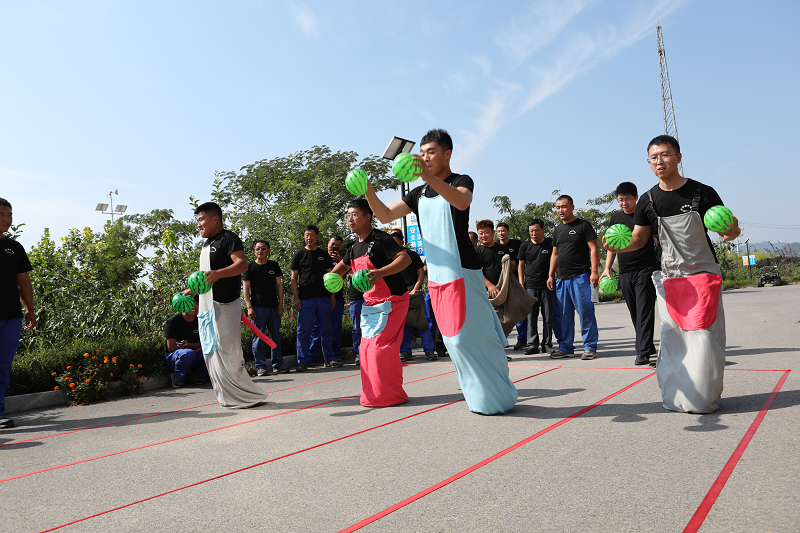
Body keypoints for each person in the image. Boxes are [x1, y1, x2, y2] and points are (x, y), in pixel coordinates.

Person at [364, 129, 517, 415]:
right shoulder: (418, 193)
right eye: (421, 153)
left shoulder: (461, 181)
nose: (424, 158)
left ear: (447, 154)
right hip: (437, 276)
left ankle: (501, 394)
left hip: (463, 272)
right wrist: (368, 191)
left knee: (470, 337)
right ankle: (481, 399)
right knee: (452, 341)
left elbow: (461, 201)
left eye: (430, 152)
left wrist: (429, 177)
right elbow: (385, 215)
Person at [604, 135, 740, 414]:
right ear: (649, 163)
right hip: (668, 278)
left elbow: (728, 232)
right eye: (653, 157)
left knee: (704, 338)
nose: (659, 161)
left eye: (665, 155)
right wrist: (616, 246)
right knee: (673, 339)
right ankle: (675, 395)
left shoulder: (703, 192)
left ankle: (705, 396)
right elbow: (639, 239)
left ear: (678, 157)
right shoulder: (648, 200)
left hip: (703, 276)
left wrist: (732, 229)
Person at [330, 199, 411, 407]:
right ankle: (373, 396)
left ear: (367, 217)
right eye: (348, 215)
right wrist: (329, 277)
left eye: (355, 214)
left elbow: (404, 259)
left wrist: (381, 272)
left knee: (379, 349)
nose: (350, 219)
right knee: (365, 351)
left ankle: (392, 395)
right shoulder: (353, 247)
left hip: (393, 300)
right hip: (371, 304)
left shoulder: (381, 239)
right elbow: (340, 269)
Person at [193, 202, 267, 408]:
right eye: (197, 220)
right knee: (211, 350)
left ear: (215, 219)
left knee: (229, 351)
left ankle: (248, 396)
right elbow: (206, 278)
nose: (198, 224)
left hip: (225, 304)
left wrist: (218, 274)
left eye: (201, 219)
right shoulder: (206, 245)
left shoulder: (228, 238)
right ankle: (227, 398)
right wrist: (191, 291)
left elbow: (242, 264)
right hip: (207, 305)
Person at [601, 183, 659, 366]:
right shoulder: (615, 218)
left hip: (646, 269)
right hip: (625, 271)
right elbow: (611, 247)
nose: (624, 203)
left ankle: (642, 352)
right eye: (620, 200)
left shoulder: (644, 215)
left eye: (627, 199)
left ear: (636, 198)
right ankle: (648, 346)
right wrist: (607, 268)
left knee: (644, 310)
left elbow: (656, 240)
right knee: (634, 312)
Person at [547, 195, 600, 360]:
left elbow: (594, 249)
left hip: (581, 276)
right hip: (562, 279)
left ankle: (589, 347)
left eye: (563, 206)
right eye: (557, 207)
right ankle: (566, 347)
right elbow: (555, 254)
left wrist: (594, 271)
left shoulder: (583, 225)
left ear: (572, 207)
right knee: (565, 315)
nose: (560, 210)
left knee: (585, 312)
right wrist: (550, 275)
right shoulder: (558, 229)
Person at [0, 198, 35, 429]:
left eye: (9, 215)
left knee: (3, 367)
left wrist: (29, 309)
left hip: (11, 318)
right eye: (2, 215)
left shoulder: (15, 248)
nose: (7, 219)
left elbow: (23, 282)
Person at [290, 225, 336, 371]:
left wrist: (332, 296)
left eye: (311, 235)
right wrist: (296, 298)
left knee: (326, 329)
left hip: (323, 298)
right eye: (306, 235)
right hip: (305, 299)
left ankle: (329, 358)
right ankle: (303, 360)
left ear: (317, 237)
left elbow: (331, 277)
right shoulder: (299, 254)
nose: (309, 237)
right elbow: (293, 278)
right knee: (303, 331)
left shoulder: (323, 254)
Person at [391, 229, 437, 362]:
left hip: (413, 291)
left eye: (396, 242)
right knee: (403, 323)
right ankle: (405, 351)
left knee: (422, 321)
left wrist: (415, 289)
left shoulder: (411, 255)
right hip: (398, 293)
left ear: (402, 242)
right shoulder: (388, 257)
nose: (393, 245)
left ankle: (429, 350)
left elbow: (421, 272)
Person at [242, 240, 287, 375]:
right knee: (258, 337)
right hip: (257, 307)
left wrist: (280, 303)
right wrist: (249, 307)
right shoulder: (249, 267)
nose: (260, 251)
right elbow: (245, 288)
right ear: (254, 251)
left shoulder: (274, 265)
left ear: (268, 251)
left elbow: (279, 285)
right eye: (257, 249)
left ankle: (277, 364)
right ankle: (260, 366)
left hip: (273, 306)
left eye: (263, 248)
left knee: (275, 336)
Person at [518, 219, 555, 355]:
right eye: (531, 231)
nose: (534, 233)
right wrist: (521, 282)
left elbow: (555, 261)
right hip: (530, 286)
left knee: (548, 317)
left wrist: (554, 277)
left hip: (547, 285)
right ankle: (532, 345)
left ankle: (547, 344)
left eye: (536, 230)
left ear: (542, 229)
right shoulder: (524, 245)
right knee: (531, 318)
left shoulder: (550, 243)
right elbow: (521, 265)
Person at [309, 236, 346, 367]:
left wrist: (341, 262)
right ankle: (312, 357)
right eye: (333, 244)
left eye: (338, 245)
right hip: (320, 298)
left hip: (337, 298)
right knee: (316, 328)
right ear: (328, 244)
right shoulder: (320, 256)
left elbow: (344, 276)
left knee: (335, 328)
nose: (335, 247)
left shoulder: (343, 260)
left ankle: (335, 355)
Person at [164, 299, 209, 388]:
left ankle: (198, 375)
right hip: (173, 357)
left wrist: (190, 346)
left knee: (210, 350)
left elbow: (203, 343)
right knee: (188, 353)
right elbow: (171, 348)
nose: (194, 306)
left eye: (197, 303)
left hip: (192, 354)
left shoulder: (200, 320)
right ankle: (177, 375)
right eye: (190, 303)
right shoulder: (173, 321)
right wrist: (193, 350)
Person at [496, 222, 527, 350]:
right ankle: (502, 340)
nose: (501, 233)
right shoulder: (495, 246)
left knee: (518, 311)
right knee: (500, 314)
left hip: (515, 281)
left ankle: (522, 340)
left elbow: (518, 264)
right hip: (500, 283)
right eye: (499, 231)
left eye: (503, 231)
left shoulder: (517, 244)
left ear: (508, 232)